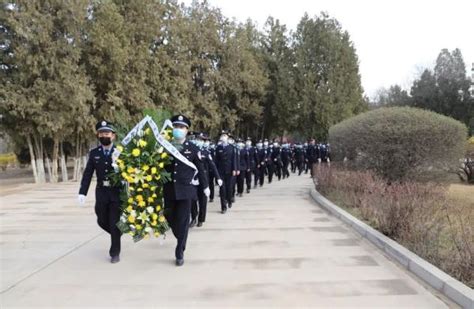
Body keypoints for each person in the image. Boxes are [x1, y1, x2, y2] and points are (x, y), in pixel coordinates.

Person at [163, 114, 209, 266]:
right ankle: (180, 237)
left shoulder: (193, 149)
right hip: (169, 191)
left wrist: (205, 186)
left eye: (181, 127)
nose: (178, 130)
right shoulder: (165, 146)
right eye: (176, 127)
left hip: (186, 191)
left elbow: (201, 169)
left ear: (187, 130)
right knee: (171, 219)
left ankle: (179, 251)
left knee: (183, 222)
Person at [78, 120, 122, 264]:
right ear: (98, 135)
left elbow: (131, 172)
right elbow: (88, 174)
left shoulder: (120, 152)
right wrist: (82, 192)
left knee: (114, 222)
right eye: (102, 133)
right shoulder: (94, 153)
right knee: (102, 220)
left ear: (113, 136)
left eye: (107, 133)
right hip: (102, 192)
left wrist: (119, 169)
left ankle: (115, 251)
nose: (104, 136)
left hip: (116, 192)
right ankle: (117, 234)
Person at [190, 133, 222, 228]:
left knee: (203, 201)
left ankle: (201, 219)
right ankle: (194, 217)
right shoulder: (190, 151)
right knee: (192, 200)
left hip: (204, 180)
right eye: (197, 139)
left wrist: (218, 177)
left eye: (201, 140)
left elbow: (213, 165)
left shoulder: (206, 153)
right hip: (192, 180)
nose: (198, 141)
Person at [215, 130, 238, 213]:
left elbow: (234, 159)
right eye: (222, 135)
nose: (223, 137)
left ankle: (229, 199)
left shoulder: (232, 148)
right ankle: (223, 207)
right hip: (221, 172)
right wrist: (216, 173)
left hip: (229, 171)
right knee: (222, 189)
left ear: (227, 137)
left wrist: (235, 169)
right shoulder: (218, 148)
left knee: (229, 188)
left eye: (225, 135)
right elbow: (216, 161)